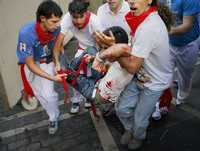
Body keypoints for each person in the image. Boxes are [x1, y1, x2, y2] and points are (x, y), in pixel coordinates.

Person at [95, 0, 174, 149]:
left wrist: (114, 50)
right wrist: (114, 47)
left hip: (154, 82)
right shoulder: (140, 18)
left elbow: (131, 67)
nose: (130, 0)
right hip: (140, 75)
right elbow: (133, 51)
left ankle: (138, 136)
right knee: (121, 108)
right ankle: (129, 129)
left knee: (140, 118)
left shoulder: (148, 27)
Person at [16, 0, 64, 134]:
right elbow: (30, 64)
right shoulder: (26, 33)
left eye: (58, 21)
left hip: (46, 62)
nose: (57, 25)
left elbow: (55, 47)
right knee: (39, 94)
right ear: (42, 18)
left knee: (48, 95)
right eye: (53, 21)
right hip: (31, 64)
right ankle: (51, 112)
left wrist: (57, 62)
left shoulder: (56, 29)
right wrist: (53, 78)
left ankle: (53, 117)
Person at [53, 0, 102, 114]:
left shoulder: (95, 21)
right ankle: (76, 100)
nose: (78, 21)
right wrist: (57, 63)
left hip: (96, 50)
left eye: (81, 17)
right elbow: (57, 44)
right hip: (82, 48)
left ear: (86, 12)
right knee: (73, 74)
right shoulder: (67, 19)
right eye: (75, 17)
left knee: (91, 74)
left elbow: (101, 45)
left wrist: (96, 59)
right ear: (70, 15)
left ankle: (89, 97)